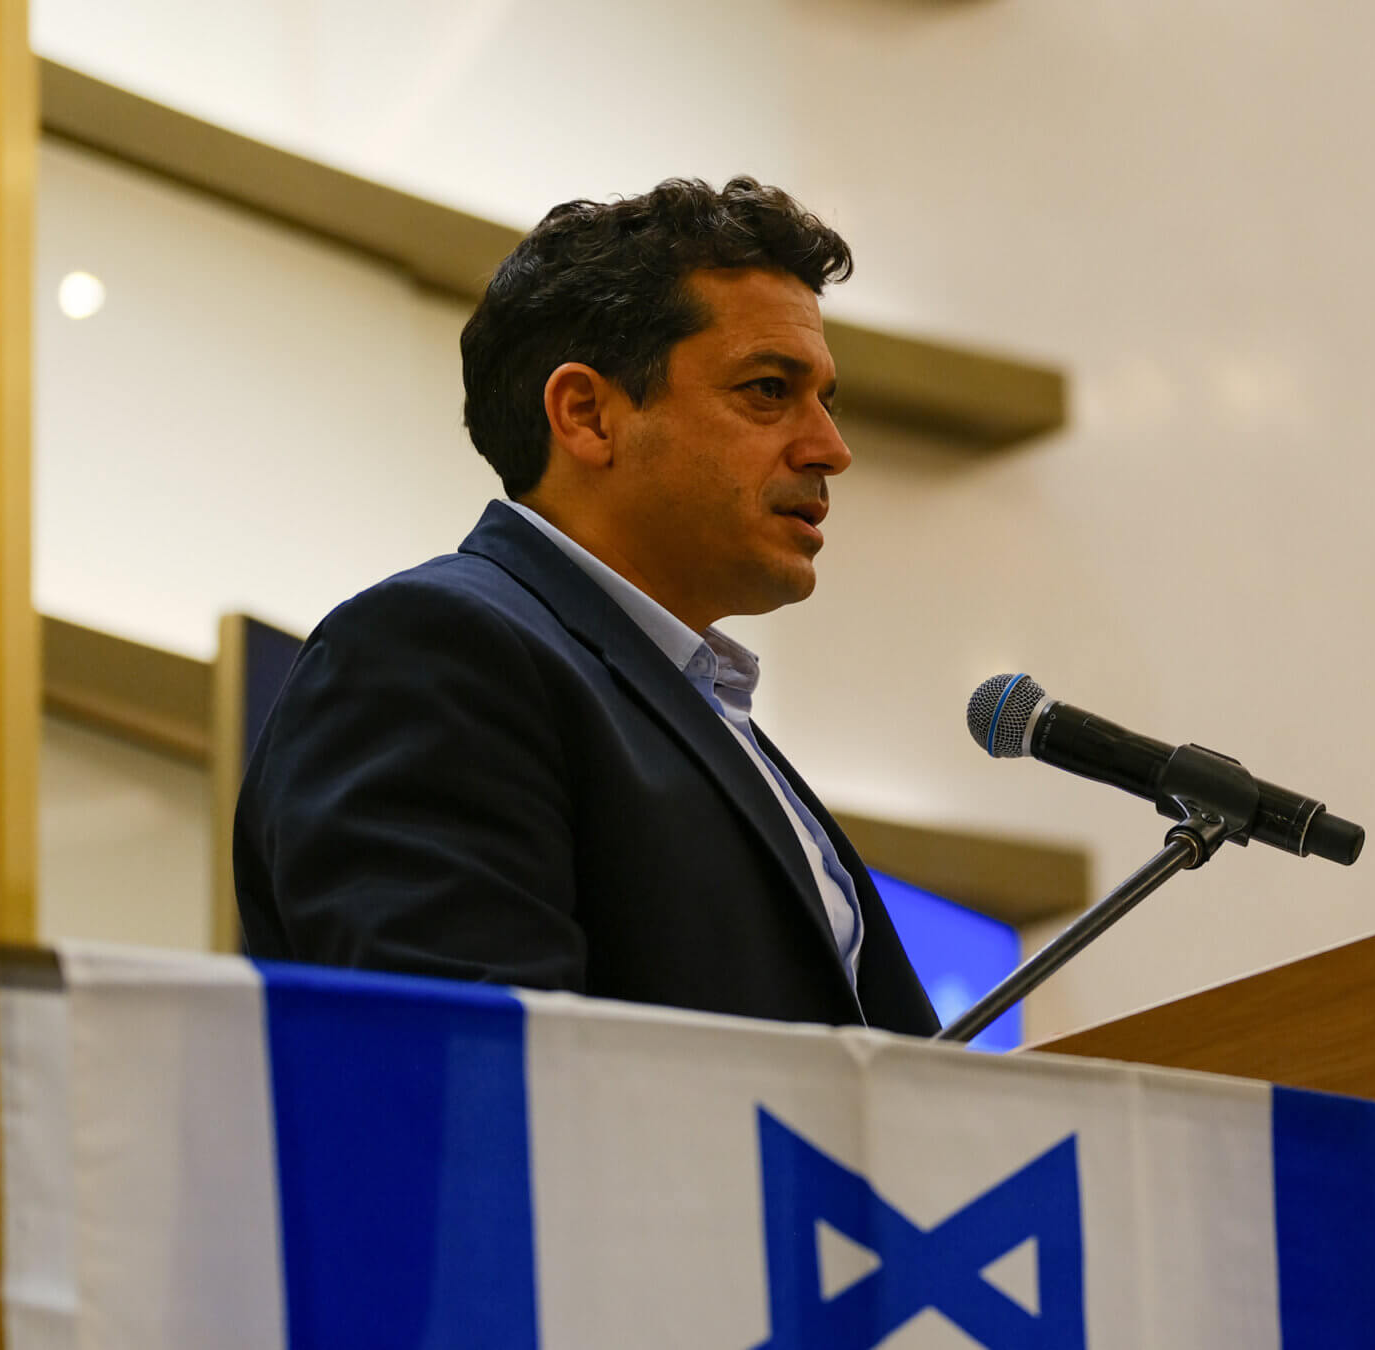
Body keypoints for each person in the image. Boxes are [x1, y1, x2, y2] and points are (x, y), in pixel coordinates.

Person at [233, 177, 940, 1034]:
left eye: (825, 399)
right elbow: (474, 1084)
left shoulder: (696, 705)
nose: (831, 448)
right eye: (767, 390)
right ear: (586, 415)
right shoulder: (434, 654)